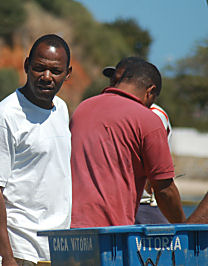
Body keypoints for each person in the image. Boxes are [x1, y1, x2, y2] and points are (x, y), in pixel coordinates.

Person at [0, 34, 73, 266]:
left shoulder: (61, 109)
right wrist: (7, 258)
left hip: (56, 249)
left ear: (68, 73)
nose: (47, 77)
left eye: (56, 71)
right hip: (19, 251)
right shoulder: (2, 117)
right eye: (39, 68)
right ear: (26, 66)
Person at [70, 57, 185, 228]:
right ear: (150, 91)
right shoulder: (148, 120)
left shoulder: (82, 109)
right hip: (112, 233)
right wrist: (186, 227)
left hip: (69, 228)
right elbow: (164, 189)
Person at [103, 60, 172, 224]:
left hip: (141, 204)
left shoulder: (154, 114)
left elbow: (154, 167)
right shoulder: (106, 110)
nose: (115, 84)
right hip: (113, 202)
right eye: (113, 80)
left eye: (120, 80)